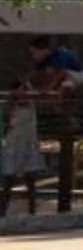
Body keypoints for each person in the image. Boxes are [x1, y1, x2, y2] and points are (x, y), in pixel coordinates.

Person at [0, 79, 43, 216]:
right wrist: (13, 100)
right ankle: (2, 212)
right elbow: (6, 121)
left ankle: (32, 211)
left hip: (28, 143)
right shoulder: (9, 106)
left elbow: (37, 93)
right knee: (8, 180)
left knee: (30, 180)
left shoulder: (31, 105)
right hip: (13, 144)